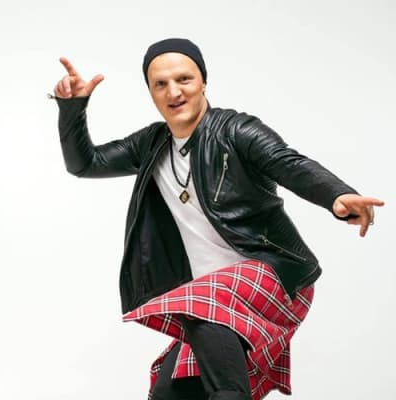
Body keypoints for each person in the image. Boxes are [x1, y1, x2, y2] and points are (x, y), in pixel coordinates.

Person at [52, 38, 384, 400]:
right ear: (150, 93)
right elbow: (86, 164)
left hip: (275, 275)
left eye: (184, 79)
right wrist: (72, 109)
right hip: (213, 300)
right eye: (160, 84)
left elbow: (288, 162)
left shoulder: (236, 130)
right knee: (169, 392)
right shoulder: (151, 144)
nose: (174, 92)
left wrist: (336, 195)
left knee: (207, 331)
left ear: (203, 82)